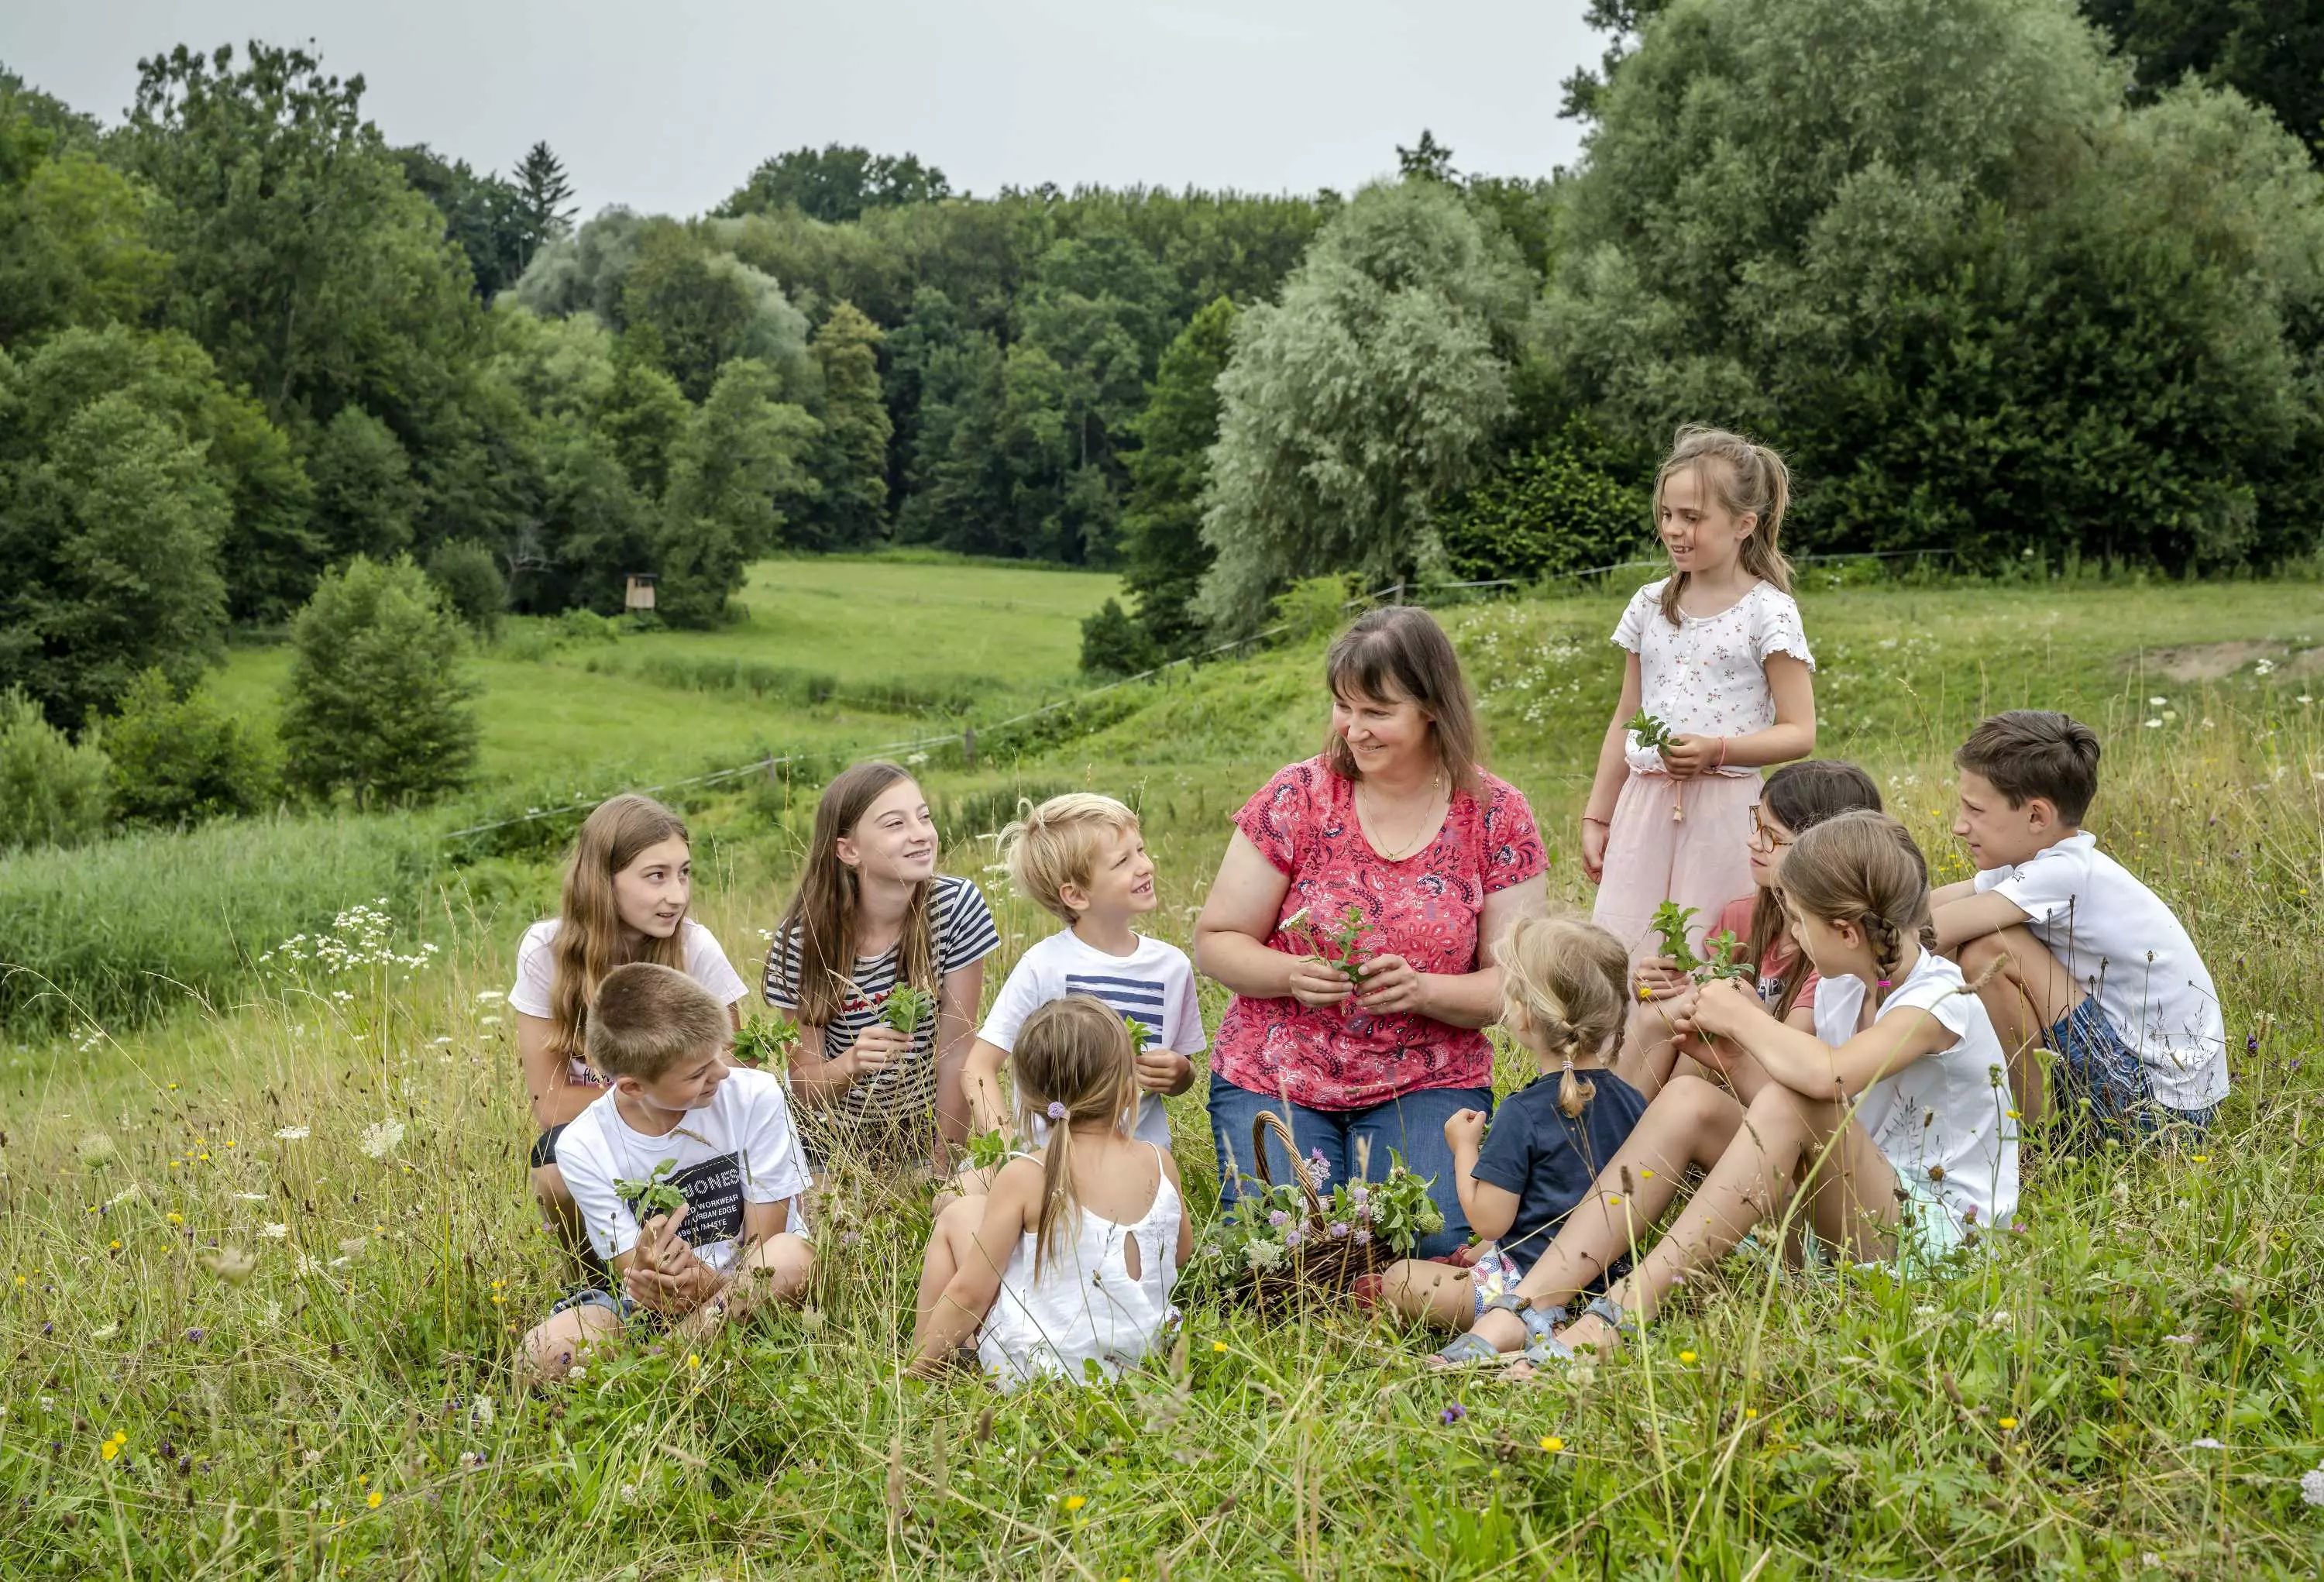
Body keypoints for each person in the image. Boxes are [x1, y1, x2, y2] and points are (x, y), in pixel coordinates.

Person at [1483, 813, 2017, 1368]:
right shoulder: (1842, 987)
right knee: (1691, 1100)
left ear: (1847, 932)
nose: (1795, 936)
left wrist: (1743, 1018)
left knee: (1792, 1098)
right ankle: (1529, 1301)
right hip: (1856, 1211)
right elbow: (1807, 1112)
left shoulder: (1940, 1000)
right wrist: (1730, 1056)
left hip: (1937, 1241)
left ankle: (1623, 1312)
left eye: (1800, 922)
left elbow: (1822, 1080)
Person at [1195, 605, 1547, 1260]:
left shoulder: (1496, 813)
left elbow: (1513, 989)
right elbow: (1217, 940)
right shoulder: (1297, 796)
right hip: (1277, 1071)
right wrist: (1290, 975)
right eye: (1342, 707)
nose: (1354, 729)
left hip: (1426, 1077)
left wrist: (1422, 990)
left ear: (1433, 707)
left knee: (1429, 1239)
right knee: (1283, 1249)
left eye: (1377, 711)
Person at [1362, 916, 1663, 1359]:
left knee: (1400, 1278)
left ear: (1523, 1015)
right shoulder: (1632, 1100)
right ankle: (1567, 1319)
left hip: (1525, 1281)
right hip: (1610, 1274)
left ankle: (1525, 1323)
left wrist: (1464, 1149)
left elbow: (1490, 1219)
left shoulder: (1521, 1113)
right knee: (1471, 1254)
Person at [1931, 710, 2227, 1139]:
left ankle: (2033, 1145)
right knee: (1980, 942)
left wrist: (1847, 935)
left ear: (2036, 817)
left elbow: (1932, 930)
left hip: (2161, 1115)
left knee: (1988, 950)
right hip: (2149, 1083)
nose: (1959, 826)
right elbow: (1926, 908)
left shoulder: (2063, 873)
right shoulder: (2035, 864)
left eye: (1974, 809)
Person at [1582, 426, 1817, 965]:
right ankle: (1629, 1052)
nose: (1674, 530)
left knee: (1713, 954)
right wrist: (1598, 817)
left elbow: (1800, 731)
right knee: (1627, 954)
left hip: (1727, 814)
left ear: (1743, 524)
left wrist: (1717, 749)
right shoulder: (1648, 605)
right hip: (1643, 809)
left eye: (1692, 517)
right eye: (1667, 514)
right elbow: (1626, 716)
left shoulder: (1768, 612)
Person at [521, 964, 814, 1381]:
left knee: (790, 1258)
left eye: (717, 1053)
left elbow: (766, 1244)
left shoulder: (756, 1096)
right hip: (656, 1309)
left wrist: (712, 1286)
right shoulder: (583, 1143)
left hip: (752, 1285)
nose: (722, 1073)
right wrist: (648, 1275)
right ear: (633, 1087)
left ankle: (661, 1370)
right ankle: (686, 1356)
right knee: (542, 1354)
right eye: (697, 1073)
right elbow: (631, 1274)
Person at [510, 795, 751, 1251]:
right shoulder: (545, 951)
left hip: (693, 1128)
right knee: (553, 1167)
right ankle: (593, 1276)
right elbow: (551, 1103)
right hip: (609, 1129)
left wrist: (661, 1100)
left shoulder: (695, 948)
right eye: (655, 876)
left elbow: (729, 1075)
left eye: (684, 872)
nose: (677, 895)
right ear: (604, 881)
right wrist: (656, 1097)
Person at [909, 997, 1190, 1388]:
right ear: (1128, 1086)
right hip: (1148, 1362)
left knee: (957, 1216)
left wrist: (908, 1378)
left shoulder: (1028, 1174)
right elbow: (1178, 1253)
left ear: (1032, 1097)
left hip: (1042, 1374)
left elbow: (970, 1293)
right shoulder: (1160, 1162)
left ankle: (926, 1366)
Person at [763, 762, 1000, 1173]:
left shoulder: (956, 907)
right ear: (848, 850)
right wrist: (852, 1063)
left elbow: (956, 1052)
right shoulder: (802, 940)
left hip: (925, 1142)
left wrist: (943, 1175)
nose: (921, 834)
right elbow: (803, 1085)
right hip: (833, 1152)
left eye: (924, 817)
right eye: (895, 824)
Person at [956, 793, 1201, 1183]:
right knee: (955, 1198)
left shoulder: (1172, 967)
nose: (1145, 866)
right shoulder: (1044, 966)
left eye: (1140, 850)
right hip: (1048, 1163)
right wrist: (1011, 1157)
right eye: (1123, 861)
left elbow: (1183, 1074)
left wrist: (1180, 1073)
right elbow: (978, 1068)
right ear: (1076, 895)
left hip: (1135, 1168)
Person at [1636, 761, 1885, 1037]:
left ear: (1823, 853)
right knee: (1657, 1014)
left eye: (1772, 836)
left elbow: (1795, 1059)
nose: (1753, 841)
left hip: (1775, 1071)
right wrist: (1661, 988)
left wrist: (1742, 1008)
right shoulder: (1742, 915)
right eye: (1758, 824)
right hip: (1725, 1068)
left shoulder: (1834, 946)